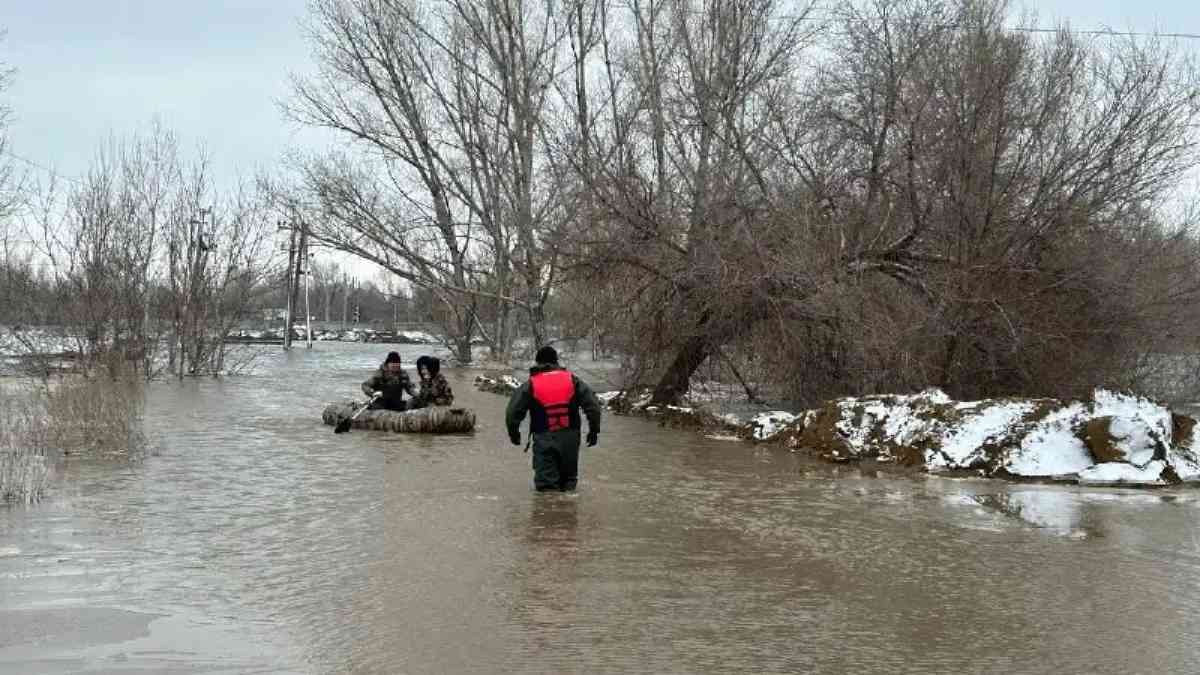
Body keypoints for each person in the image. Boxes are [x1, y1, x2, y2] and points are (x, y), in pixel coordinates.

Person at [506, 345, 602, 492]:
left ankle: (549, 512)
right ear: (556, 362)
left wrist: (514, 433)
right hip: (570, 437)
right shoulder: (573, 380)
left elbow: (513, 412)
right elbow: (593, 406)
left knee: (547, 489)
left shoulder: (531, 384)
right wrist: (594, 431)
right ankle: (568, 512)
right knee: (568, 484)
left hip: (544, 437)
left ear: (538, 362)